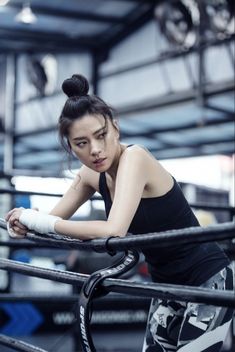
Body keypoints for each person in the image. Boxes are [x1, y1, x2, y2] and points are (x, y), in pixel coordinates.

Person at [6, 74, 234, 352]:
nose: (96, 150)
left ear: (115, 127)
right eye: (81, 143)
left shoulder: (136, 157)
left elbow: (113, 229)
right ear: (70, 146)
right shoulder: (91, 174)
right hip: (165, 287)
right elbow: (53, 220)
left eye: (101, 135)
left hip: (209, 280)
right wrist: (23, 220)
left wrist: (38, 221)